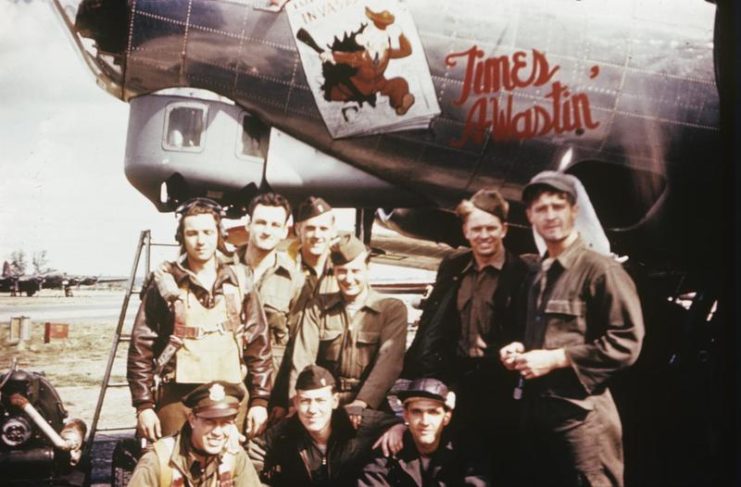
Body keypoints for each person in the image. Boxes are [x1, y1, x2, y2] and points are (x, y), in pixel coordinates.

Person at [500, 171, 644, 487]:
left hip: (582, 420)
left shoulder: (600, 269)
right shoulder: (540, 274)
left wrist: (557, 359)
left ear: (573, 211)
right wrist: (520, 351)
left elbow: (627, 341)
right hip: (539, 415)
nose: (550, 216)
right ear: (530, 216)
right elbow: (549, 336)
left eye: (557, 206)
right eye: (541, 209)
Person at [402, 188, 529, 482]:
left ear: (504, 229)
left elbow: (530, 331)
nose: (483, 236)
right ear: (465, 230)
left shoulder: (522, 274)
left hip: (500, 383)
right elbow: (436, 322)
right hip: (456, 380)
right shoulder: (454, 266)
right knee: (453, 459)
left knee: (497, 462)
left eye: (490, 228)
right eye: (476, 229)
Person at [127, 197, 272, 442]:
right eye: (192, 233)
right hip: (179, 398)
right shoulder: (164, 285)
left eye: (207, 231)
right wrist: (144, 406)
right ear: (182, 237)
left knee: (232, 468)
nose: (201, 240)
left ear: (219, 234)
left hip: (231, 396)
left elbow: (259, 344)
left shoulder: (240, 281)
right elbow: (141, 347)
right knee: (171, 468)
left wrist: (260, 400)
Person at [288, 234, 408, 428]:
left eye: (356, 271)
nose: (349, 279)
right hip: (323, 402)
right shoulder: (317, 308)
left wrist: (363, 401)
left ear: (368, 268)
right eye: (342, 271)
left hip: (370, 403)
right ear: (334, 271)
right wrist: (297, 400)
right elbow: (303, 358)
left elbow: (389, 362)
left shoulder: (391, 309)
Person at [262, 365, 404, 486]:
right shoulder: (285, 431)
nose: (312, 409)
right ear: (296, 403)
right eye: (305, 401)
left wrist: (399, 428)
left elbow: (400, 424)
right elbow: (254, 454)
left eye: (320, 400)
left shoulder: (356, 423)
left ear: (335, 401)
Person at [269, 196, 339, 420]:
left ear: (332, 230)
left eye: (323, 228)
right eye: (310, 228)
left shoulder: (343, 271)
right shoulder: (281, 270)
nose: (317, 235)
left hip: (331, 369)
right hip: (283, 373)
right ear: (298, 229)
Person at [359, 377, 490, 486]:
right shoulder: (388, 452)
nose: (425, 421)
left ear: (446, 418)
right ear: (406, 415)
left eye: (433, 412)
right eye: (416, 412)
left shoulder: (464, 449)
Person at [128, 381, 261, 486]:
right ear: (192, 420)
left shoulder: (234, 457)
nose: (217, 432)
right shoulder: (158, 461)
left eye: (225, 423)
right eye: (209, 422)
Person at [239, 193, 304, 372]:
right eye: (260, 223)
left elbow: (299, 343)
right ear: (247, 224)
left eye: (275, 225)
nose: (267, 231)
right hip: (226, 375)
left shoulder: (295, 282)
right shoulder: (222, 270)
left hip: (272, 377)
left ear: (284, 231)